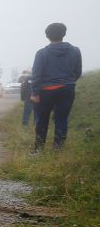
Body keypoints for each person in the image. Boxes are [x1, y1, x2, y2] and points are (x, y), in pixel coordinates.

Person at [30, 22, 82, 150]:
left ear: (47, 35)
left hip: (46, 90)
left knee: (42, 119)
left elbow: (37, 74)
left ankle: (38, 149)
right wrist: (68, 82)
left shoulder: (41, 53)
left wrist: (35, 93)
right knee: (62, 118)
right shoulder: (75, 51)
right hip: (67, 89)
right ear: (64, 34)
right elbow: (78, 71)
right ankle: (58, 147)